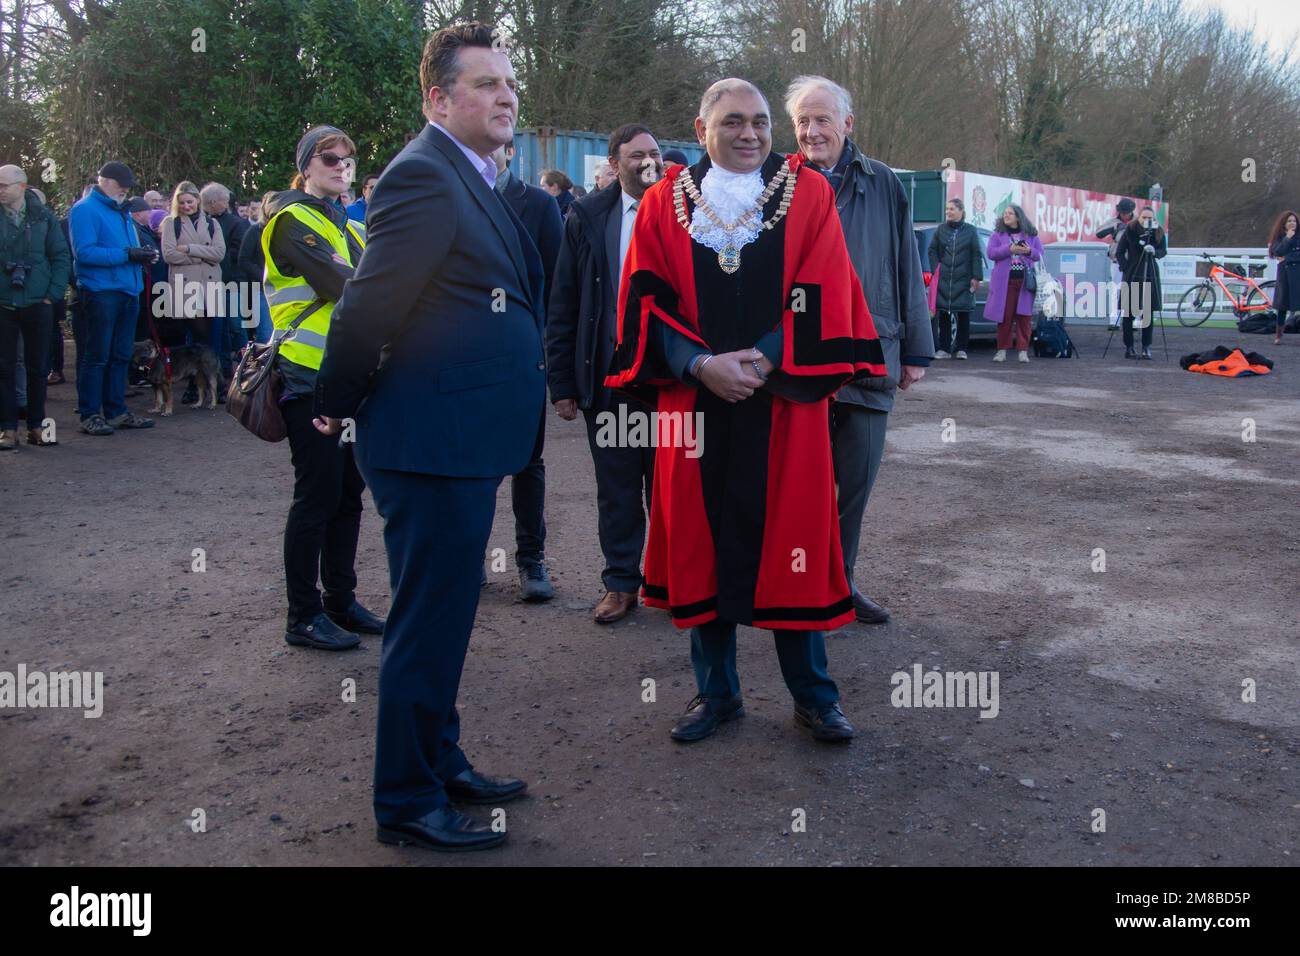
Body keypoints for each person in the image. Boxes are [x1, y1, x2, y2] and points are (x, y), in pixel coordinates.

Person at [314, 23, 544, 852]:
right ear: (437, 99)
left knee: (445, 620)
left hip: (461, 436)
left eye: (508, 82)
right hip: (428, 440)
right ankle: (407, 800)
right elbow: (369, 304)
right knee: (427, 624)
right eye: (484, 84)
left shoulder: (466, 173)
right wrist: (332, 401)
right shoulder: (421, 173)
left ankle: (439, 760)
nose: (505, 95)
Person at [607, 78, 887, 745]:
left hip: (784, 405)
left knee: (792, 542)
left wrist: (759, 360)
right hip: (694, 406)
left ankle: (815, 697)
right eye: (733, 121)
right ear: (700, 128)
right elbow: (645, 300)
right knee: (701, 547)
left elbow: (823, 290)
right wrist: (701, 365)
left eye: (761, 121)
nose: (750, 134)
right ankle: (717, 694)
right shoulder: (661, 205)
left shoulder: (810, 194)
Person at [787, 75, 933, 626]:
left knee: (854, 488)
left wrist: (916, 348)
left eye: (822, 119)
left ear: (848, 123)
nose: (811, 130)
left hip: (871, 358)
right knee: (801, 489)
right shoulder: (780, 183)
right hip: (799, 364)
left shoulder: (885, 185)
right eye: (802, 120)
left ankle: (840, 585)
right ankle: (798, 586)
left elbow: (906, 269)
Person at [260, 126, 382, 654]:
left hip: (348, 380)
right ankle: (302, 616)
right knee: (316, 496)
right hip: (306, 378)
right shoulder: (292, 219)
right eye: (330, 159)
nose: (341, 167)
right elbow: (349, 287)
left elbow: (373, 282)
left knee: (348, 496)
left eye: (349, 161)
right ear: (307, 165)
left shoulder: (348, 226)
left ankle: (340, 601)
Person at [547, 123, 664, 623]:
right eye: (636, 155)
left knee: (669, 489)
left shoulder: (686, 212)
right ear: (614, 164)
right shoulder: (588, 216)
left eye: (654, 154)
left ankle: (669, 582)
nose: (647, 163)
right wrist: (563, 384)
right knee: (617, 488)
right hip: (611, 381)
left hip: (669, 383)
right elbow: (564, 302)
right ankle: (621, 582)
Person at [493, 139, 563, 600]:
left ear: (512, 151)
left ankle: (530, 561)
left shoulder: (538, 204)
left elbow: (558, 286)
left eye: (498, 148)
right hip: (460, 356)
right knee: (468, 466)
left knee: (526, 462)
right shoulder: (451, 196)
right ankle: (467, 561)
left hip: (521, 356)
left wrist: (553, 362)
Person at [69, 161, 158, 435]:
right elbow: (84, 253)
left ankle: (116, 411)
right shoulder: (84, 210)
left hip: (127, 290)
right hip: (101, 292)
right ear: (105, 181)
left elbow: (121, 248)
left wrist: (142, 254)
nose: (125, 191)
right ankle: (90, 414)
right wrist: (128, 255)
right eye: (122, 186)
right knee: (97, 356)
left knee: (120, 355)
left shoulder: (121, 211)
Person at [0, 166, 70, 450]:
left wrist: (51, 295)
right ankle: (7, 429)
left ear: (22, 186)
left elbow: (61, 256)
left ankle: (37, 426)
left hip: (38, 302)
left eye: (5, 185)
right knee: (3, 368)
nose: (1, 190)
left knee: (38, 367)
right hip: (3, 303)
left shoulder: (44, 216)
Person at [159, 182, 225, 347]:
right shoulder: (171, 223)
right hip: (186, 287)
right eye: (182, 203)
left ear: (197, 200)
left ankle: (209, 371)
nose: (186, 206)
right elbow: (169, 255)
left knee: (211, 338)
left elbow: (219, 253)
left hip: (210, 285)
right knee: (198, 336)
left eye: (189, 202)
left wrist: (189, 249)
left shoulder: (212, 223)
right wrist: (200, 257)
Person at [201, 181, 250, 380]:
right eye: (223, 200)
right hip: (211, 283)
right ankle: (223, 370)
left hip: (231, 283)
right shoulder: (202, 223)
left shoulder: (237, 224)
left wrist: (212, 256)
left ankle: (248, 365)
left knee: (236, 326)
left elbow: (238, 253)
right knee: (218, 330)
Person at [986, 203, 1042, 363]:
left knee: (1024, 317)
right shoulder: (997, 235)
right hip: (1005, 282)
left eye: (1010, 213)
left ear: (1018, 216)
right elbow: (991, 253)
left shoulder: (1030, 234)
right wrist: (1009, 249)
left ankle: (1023, 351)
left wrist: (1029, 251)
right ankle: (1001, 350)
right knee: (1004, 317)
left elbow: (1039, 253)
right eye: (1005, 213)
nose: (1006, 215)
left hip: (1025, 282)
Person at [928, 198, 983, 360]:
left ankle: (961, 348)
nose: (948, 212)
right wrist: (936, 268)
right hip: (944, 278)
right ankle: (944, 349)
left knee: (963, 313)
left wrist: (976, 276)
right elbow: (932, 250)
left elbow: (976, 254)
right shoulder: (941, 230)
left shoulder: (971, 231)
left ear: (961, 211)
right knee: (944, 312)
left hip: (964, 278)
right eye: (947, 209)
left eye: (952, 209)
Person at [1114, 205, 1167, 360]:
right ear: (1139, 217)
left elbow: (1163, 250)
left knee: (1148, 313)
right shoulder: (1130, 230)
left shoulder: (1158, 231)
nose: (1147, 220)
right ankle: (1129, 347)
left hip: (1150, 271)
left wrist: (1155, 252)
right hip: (1133, 273)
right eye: (1144, 217)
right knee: (1129, 312)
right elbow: (1120, 251)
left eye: (1150, 218)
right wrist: (1125, 267)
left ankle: (1146, 347)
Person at [236, 192, 274, 343]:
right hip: (261, 289)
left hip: (283, 289)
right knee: (265, 333)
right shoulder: (255, 231)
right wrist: (264, 275)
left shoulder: (285, 229)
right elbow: (243, 260)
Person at [1096, 198, 1136, 328]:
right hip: (1117, 261)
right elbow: (1099, 233)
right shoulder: (1115, 222)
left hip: (1134, 262)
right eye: (1123, 212)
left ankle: (1133, 320)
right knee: (1116, 290)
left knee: (1134, 291)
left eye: (1127, 212)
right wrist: (1114, 227)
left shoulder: (1137, 223)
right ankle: (1115, 320)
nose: (1125, 215)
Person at [1267, 210, 1298, 345]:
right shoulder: (1280, 238)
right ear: (1284, 224)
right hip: (1284, 274)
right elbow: (1277, 251)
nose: (1292, 223)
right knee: (1282, 304)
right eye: (1289, 221)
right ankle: (1279, 335)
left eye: (1294, 221)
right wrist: (1287, 238)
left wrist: (1288, 258)